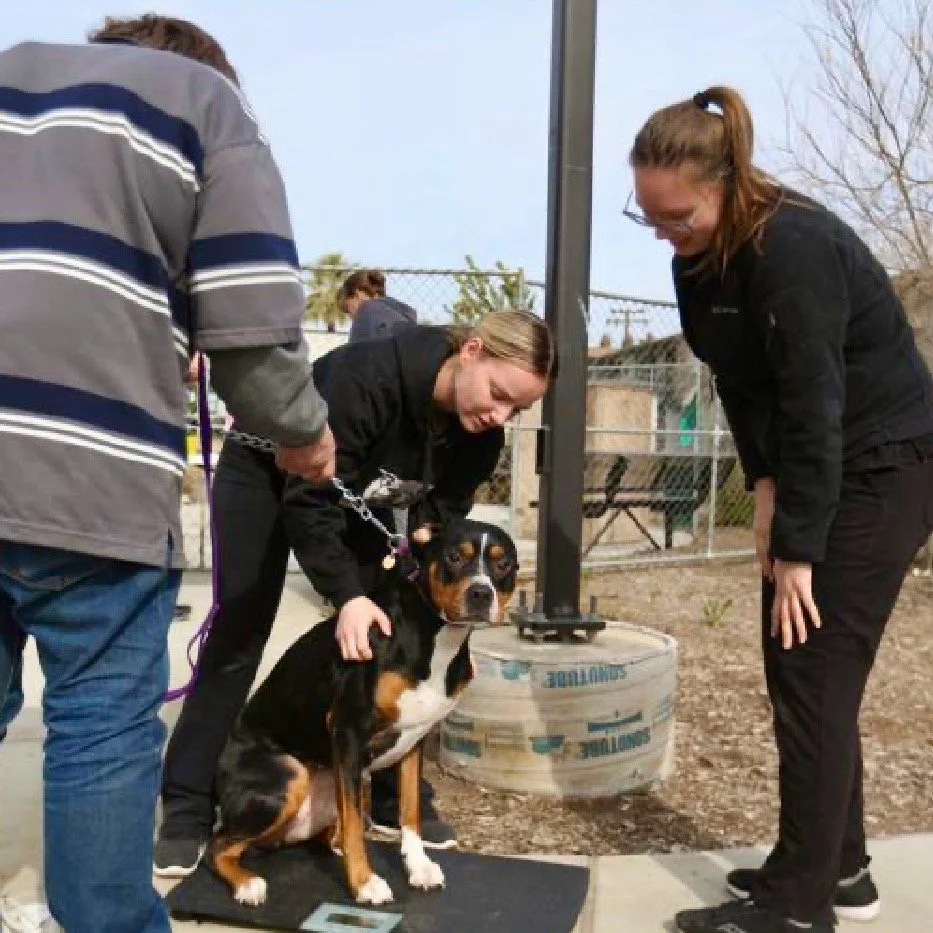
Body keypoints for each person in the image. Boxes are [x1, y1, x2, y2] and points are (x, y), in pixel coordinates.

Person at [0, 15, 337, 933]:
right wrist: (306, 437)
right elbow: (254, 342)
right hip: (85, 475)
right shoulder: (203, 104)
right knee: (100, 725)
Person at [626, 85, 933, 933]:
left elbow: (810, 398)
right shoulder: (699, 261)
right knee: (806, 675)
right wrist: (762, 487)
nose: (663, 231)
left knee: (811, 670)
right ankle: (838, 869)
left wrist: (797, 545)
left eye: (676, 214)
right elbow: (737, 380)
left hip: (884, 461)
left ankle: (798, 908)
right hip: (819, 461)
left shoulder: (790, 246)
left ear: (725, 183)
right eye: (647, 215)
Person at [154, 309, 555, 876]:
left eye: (518, 408)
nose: (501, 414)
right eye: (497, 393)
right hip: (272, 474)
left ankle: (390, 799)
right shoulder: (368, 379)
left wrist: (416, 555)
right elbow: (307, 498)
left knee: (389, 636)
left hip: (350, 495)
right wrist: (345, 594)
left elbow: (439, 522)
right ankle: (188, 805)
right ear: (471, 352)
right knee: (239, 635)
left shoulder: (479, 434)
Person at [338, 268, 418, 341]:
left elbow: (355, 354)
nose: (350, 316)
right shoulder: (406, 318)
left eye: (347, 308)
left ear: (357, 293)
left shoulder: (365, 318)